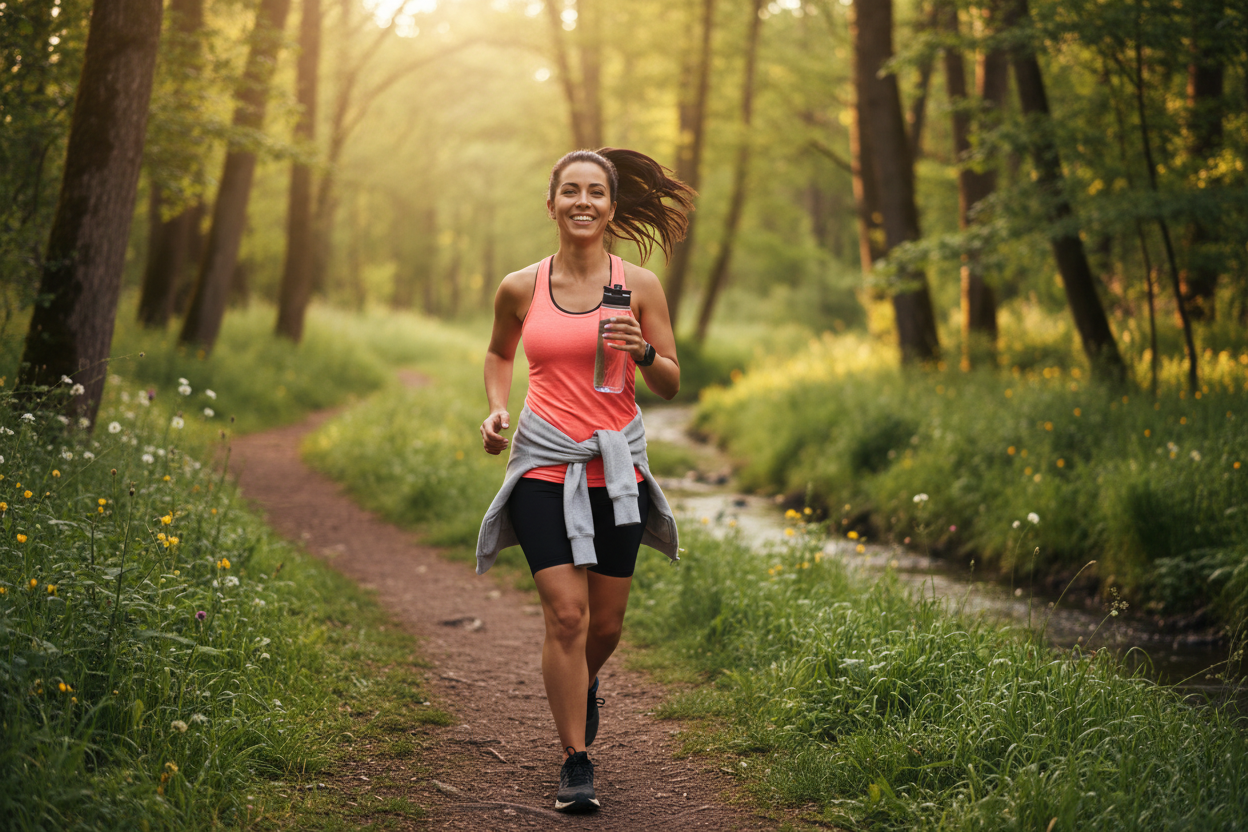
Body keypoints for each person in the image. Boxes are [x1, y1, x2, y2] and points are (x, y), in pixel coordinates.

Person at [475, 148, 694, 813]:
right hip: (543, 463)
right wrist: (497, 406)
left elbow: (670, 381)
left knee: (605, 624)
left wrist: (644, 351)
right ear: (551, 204)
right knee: (567, 615)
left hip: (616, 468)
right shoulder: (520, 287)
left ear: (611, 207)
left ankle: (581, 682)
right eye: (570, 190)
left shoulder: (640, 287)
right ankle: (576, 760)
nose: (582, 202)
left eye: (595, 192)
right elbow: (499, 352)